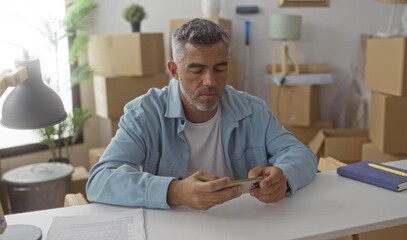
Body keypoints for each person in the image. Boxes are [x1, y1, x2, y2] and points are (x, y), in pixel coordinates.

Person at [86, 18, 317, 210]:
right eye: (196, 69)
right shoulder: (143, 114)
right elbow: (99, 180)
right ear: (174, 70)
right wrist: (174, 191)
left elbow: (301, 154)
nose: (210, 81)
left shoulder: (253, 110)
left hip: (246, 227)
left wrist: (283, 176)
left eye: (220, 68)